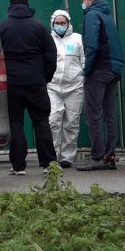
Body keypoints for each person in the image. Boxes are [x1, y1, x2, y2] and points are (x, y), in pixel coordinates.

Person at [0, 0, 58, 175]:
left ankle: (18, 165)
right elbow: (51, 56)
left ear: (11, 6)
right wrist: (45, 77)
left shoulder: (2, 27)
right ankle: (48, 164)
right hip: (35, 83)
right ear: (27, 5)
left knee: (15, 123)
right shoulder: (39, 27)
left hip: (12, 84)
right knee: (41, 122)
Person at [76, 0, 124, 171]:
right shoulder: (107, 17)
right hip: (114, 68)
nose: (83, 3)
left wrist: (86, 70)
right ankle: (109, 157)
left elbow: (91, 45)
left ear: (90, 0)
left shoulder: (91, 16)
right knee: (110, 115)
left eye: (83, 0)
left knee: (93, 114)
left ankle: (97, 157)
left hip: (99, 69)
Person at [47, 9, 85, 168]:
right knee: (53, 121)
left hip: (75, 87)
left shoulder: (78, 39)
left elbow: (84, 59)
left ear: (69, 23)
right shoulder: (48, 39)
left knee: (72, 122)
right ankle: (52, 157)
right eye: (57, 23)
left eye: (63, 23)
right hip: (52, 86)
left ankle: (67, 158)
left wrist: (82, 74)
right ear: (52, 23)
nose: (60, 25)